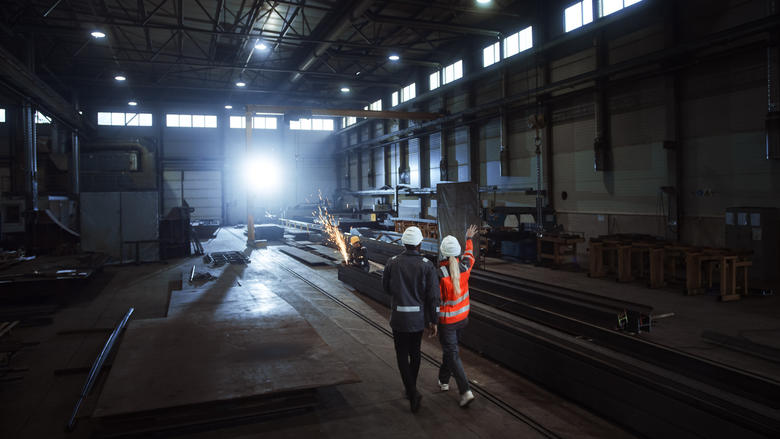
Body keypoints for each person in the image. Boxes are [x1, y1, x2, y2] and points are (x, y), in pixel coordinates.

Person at [382, 226, 439, 413]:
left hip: (399, 317)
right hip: (417, 319)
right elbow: (433, 296)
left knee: (401, 354)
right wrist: (434, 320)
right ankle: (411, 389)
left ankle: (412, 391)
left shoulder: (392, 262)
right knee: (415, 352)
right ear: (420, 244)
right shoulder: (427, 265)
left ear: (404, 243)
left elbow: (386, 288)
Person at [436, 225, 478, 408]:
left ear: (442, 254)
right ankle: (443, 380)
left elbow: (435, 302)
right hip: (463, 319)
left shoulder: (440, 274)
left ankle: (465, 390)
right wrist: (468, 238)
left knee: (452, 353)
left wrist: (432, 322)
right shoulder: (464, 268)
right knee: (450, 351)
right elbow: (469, 255)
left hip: (447, 322)